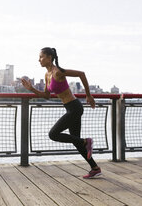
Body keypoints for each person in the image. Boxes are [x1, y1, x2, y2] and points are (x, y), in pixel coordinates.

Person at [21, 47, 102, 179]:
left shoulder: (58, 72)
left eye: (41, 57)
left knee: (53, 134)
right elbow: (47, 96)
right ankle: (95, 168)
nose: (39, 59)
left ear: (49, 57)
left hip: (75, 108)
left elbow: (81, 74)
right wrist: (31, 89)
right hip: (69, 108)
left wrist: (89, 95)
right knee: (76, 141)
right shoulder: (47, 75)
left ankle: (85, 142)